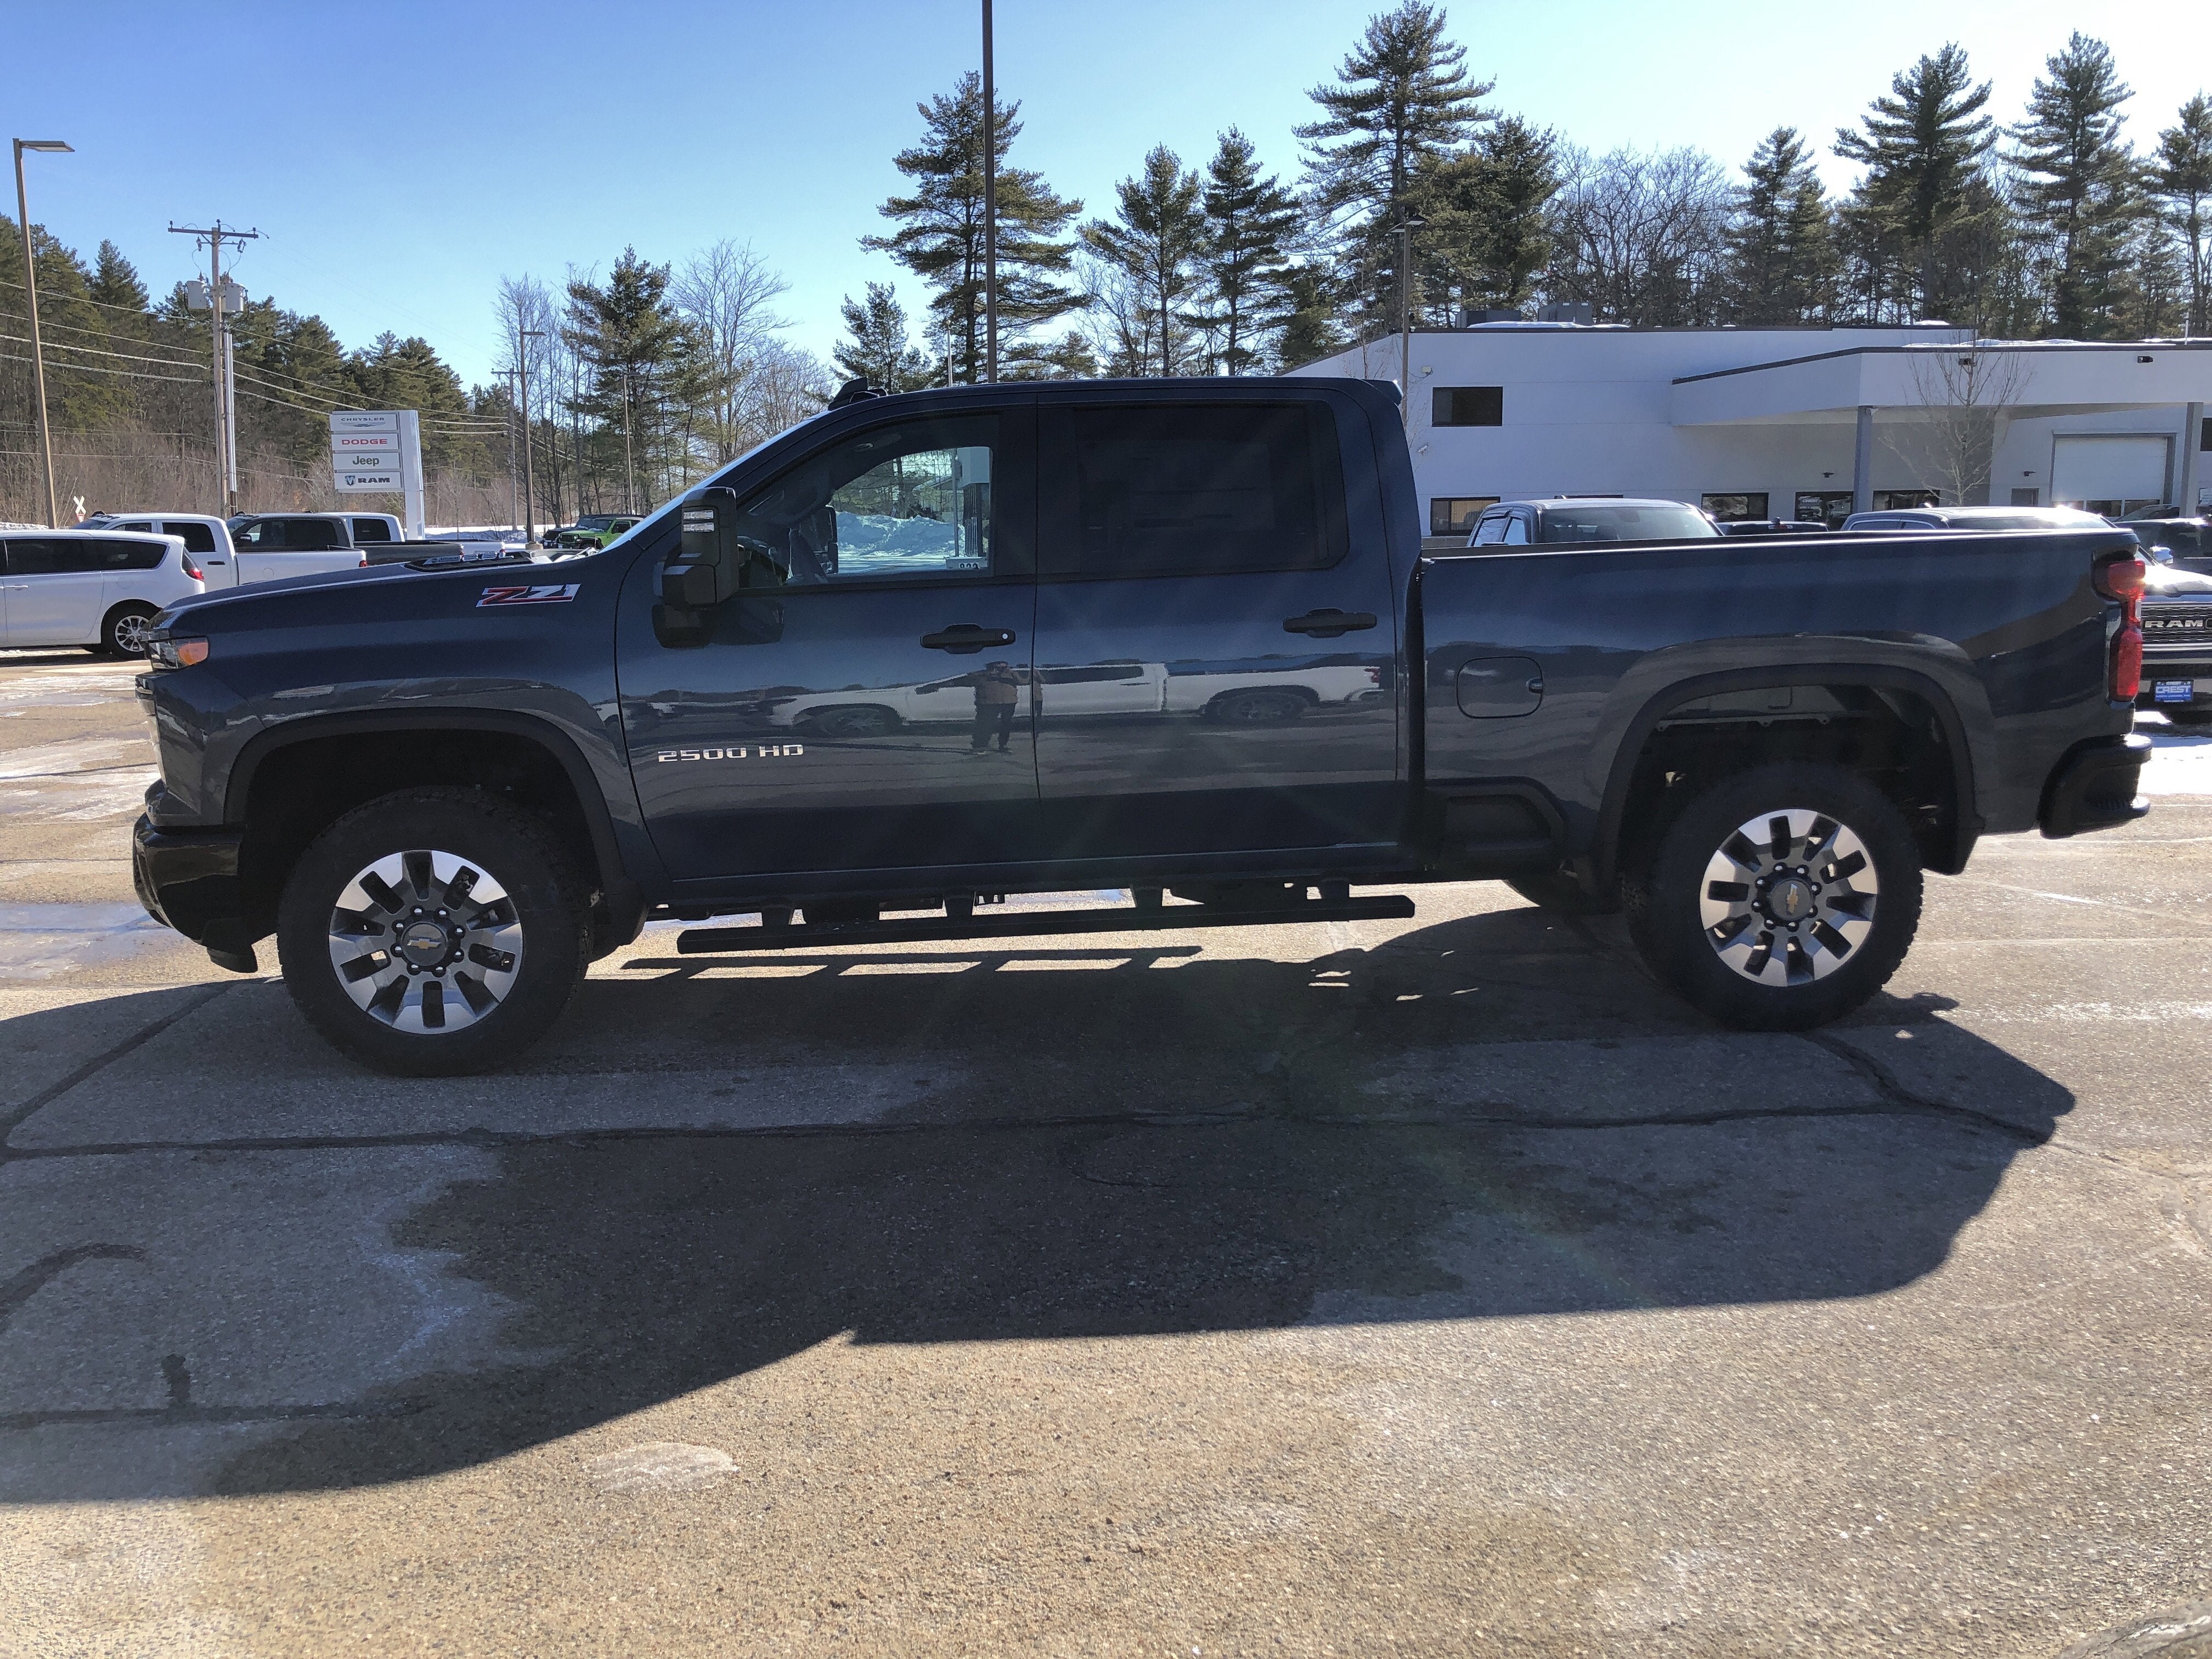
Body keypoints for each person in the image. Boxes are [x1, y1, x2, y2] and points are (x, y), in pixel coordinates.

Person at [970, 659, 1019, 753]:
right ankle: (979, 746)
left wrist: (1012, 673)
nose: (1002, 670)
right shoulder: (982, 674)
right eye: (999, 667)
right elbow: (973, 681)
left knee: (1006, 725)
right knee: (985, 725)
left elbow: (1023, 681)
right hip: (989, 703)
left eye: (1004, 667)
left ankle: (1003, 745)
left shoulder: (1011, 674)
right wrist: (990, 673)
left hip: (1008, 702)